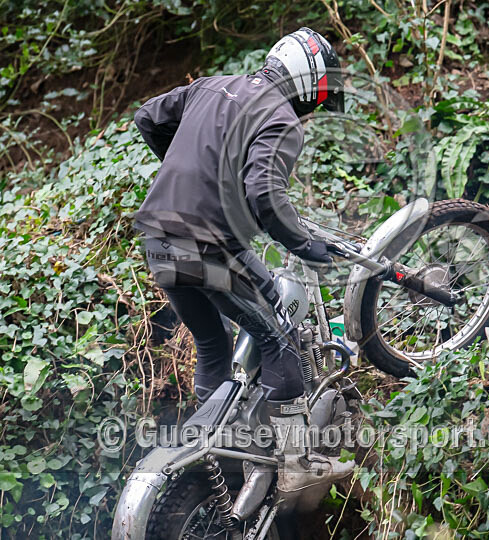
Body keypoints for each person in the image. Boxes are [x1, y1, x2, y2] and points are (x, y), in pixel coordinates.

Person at [133, 28, 352, 493]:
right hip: (206, 245)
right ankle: (297, 462)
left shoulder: (210, 85)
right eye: (317, 98)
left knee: (214, 343)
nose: (311, 110)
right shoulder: (280, 120)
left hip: (158, 238)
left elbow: (147, 118)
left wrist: (189, 170)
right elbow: (265, 195)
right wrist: (304, 244)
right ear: (305, 82)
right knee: (280, 344)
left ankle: (212, 460)